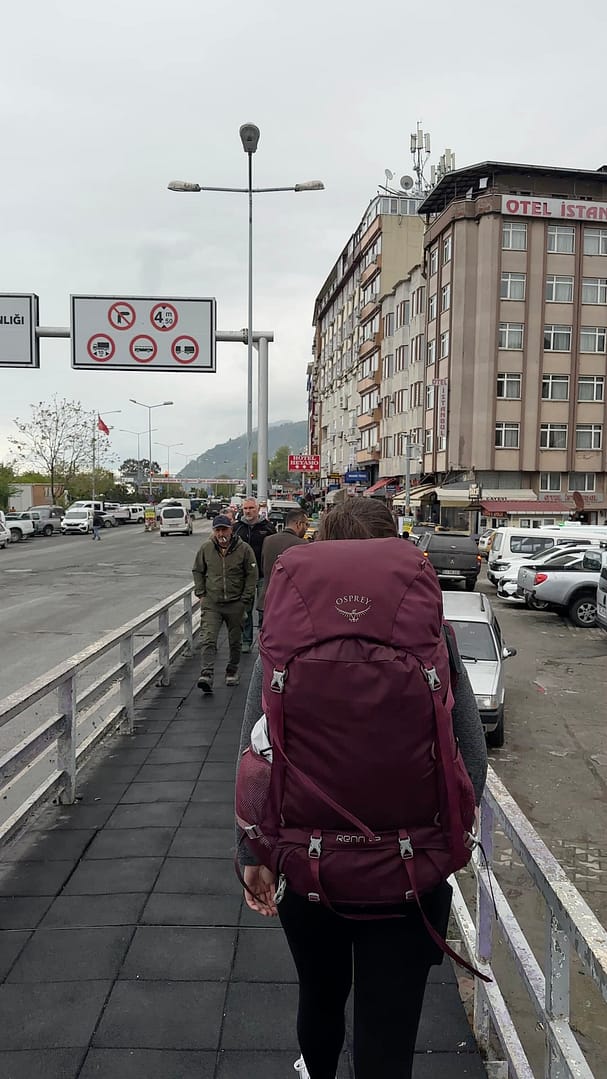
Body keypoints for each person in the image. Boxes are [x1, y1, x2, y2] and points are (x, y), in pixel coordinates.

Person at [237, 497, 487, 1079]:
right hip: (408, 871)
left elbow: (255, 751)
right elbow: (468, 751)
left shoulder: (284, 634)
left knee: (319, 999)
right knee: (388, 1033)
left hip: (309, 866)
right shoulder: (430, 634)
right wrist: (448, 832)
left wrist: (252, 851)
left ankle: (318, 1070)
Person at [192, 514, 258, 692]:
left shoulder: (244, 549)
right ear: (213, 531)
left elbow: (252, 575)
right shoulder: (206, 548)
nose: (221, 533)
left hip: (235, 603)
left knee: (235, 640)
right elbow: (198, 570)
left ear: (231, 529)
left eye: (224, 529)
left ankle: (232, 670)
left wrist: (245, 598)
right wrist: (201, 593)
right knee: (208, 638)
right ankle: (206, 674)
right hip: (212, 603)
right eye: (217, 530)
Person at [233, 497, 275, 652]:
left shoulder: (268, 527)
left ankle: (264, 640)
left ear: (258, 509)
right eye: (245, 508)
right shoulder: (237, 528)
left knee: (264, 609)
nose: (248, 511)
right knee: (245, 609)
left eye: (251, 508)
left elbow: (274, 548)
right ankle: (246, 640)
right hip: (244, 576)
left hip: (264, 574)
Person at [257, 507, 308, 615]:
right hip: (288, 603)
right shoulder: (302, 545)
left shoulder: (268, 540)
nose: (307, 528)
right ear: (299, 524)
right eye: (306, 524)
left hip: (267, 600)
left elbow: (263, 567)